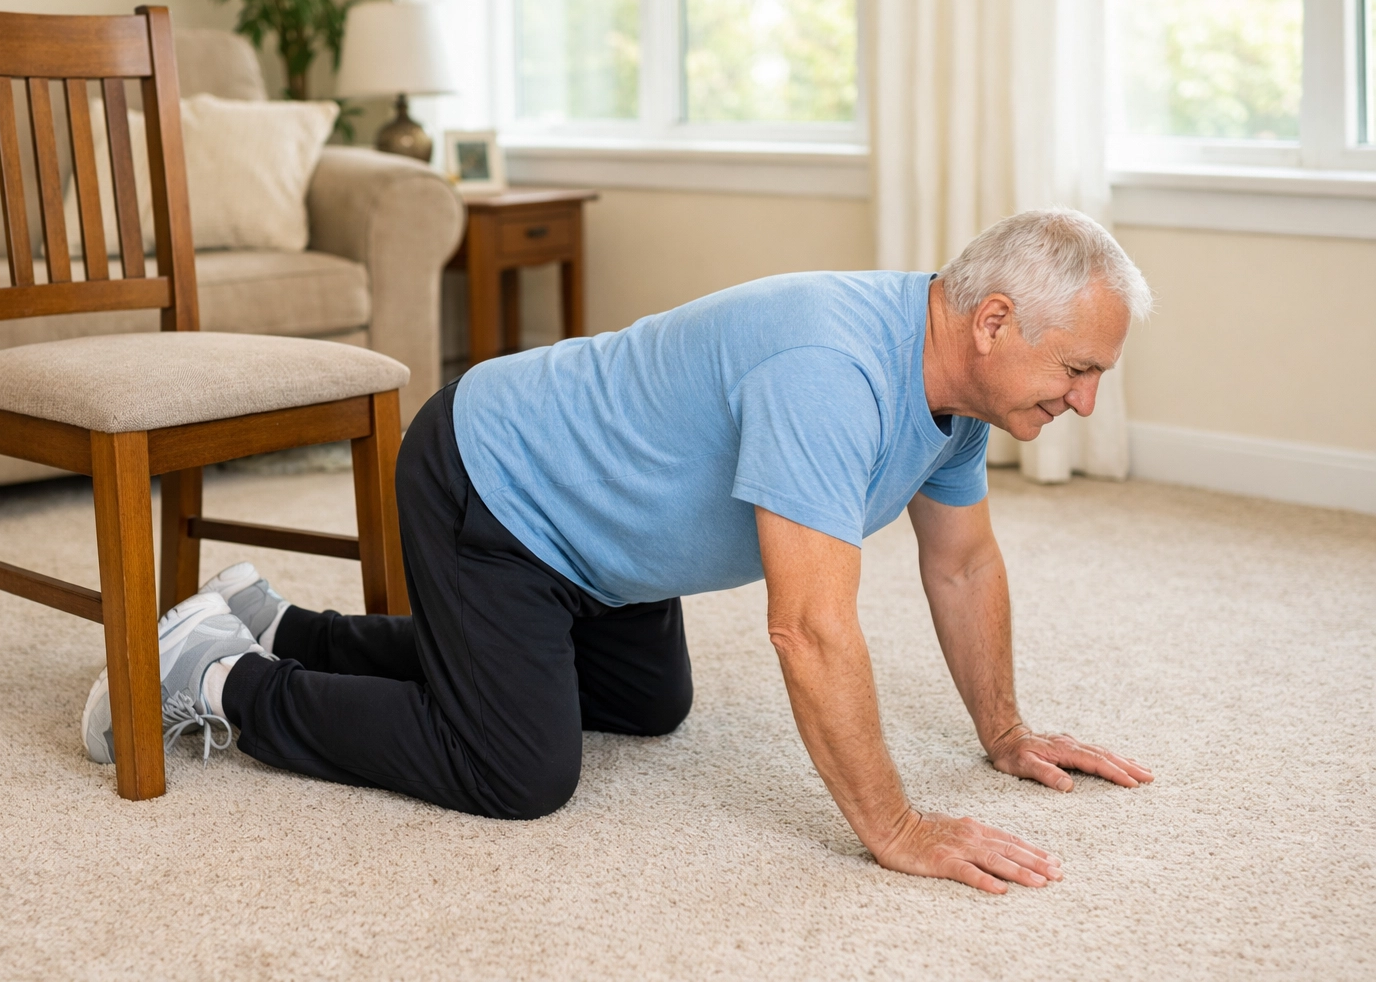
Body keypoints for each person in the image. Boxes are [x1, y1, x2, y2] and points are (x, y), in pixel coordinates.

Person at [82, 208, 1156, 894]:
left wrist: (1005, 730)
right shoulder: (835, 371)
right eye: (1078, 368)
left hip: (608, 550)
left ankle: (285, 621)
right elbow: (809, 626)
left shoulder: (958, 401)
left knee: (647, 707)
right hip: (497, 481)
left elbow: (962, 563)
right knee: (516, 768)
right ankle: (219, 677)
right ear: (995, 319)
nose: (1087, 398)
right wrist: (897, 825)